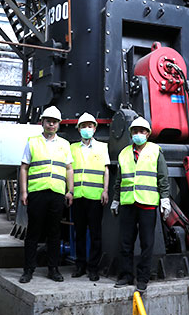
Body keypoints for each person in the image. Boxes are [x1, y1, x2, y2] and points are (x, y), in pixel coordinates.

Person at [111, 117, 171, 292]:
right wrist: (116, 200)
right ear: (131, 133)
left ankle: (143, 278)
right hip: (128, 203)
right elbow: (119, 180)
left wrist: (165, 199)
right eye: (135, 131)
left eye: (142, 131)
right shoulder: (124, 154)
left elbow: (162, 177)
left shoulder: (155, 151)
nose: (138, 134)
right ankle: (126, 276)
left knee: (147, 243)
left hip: (147, 204)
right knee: (125, 242)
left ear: (148, 133)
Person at [18, 106, 74, 284]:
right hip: (37, 192)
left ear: (58, 124)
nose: (51, 124)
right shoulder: (32, 142)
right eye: (48, 120)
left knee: (54, 233)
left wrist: (70, 191)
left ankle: (53, 269)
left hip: (57, 193)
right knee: (33, 232)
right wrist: (24, 191)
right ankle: (28, 270)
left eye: (55, 121)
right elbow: (24, 167)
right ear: (42, 122)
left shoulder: (64, 144)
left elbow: (69, 169)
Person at [69, 112, 110, 281]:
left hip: (95, 197)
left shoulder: (102, 147)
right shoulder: (72, 148)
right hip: (78, 196)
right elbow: (69, 171)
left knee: (95, 234)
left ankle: (93, 268)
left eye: (90, 126)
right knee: (79, 233)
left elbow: (106, 170)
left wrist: (105, 190)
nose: (87, 129)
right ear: (78, 129)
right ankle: (80, 265)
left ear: (95, 128)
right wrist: (70, 192)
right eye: (83, 126)